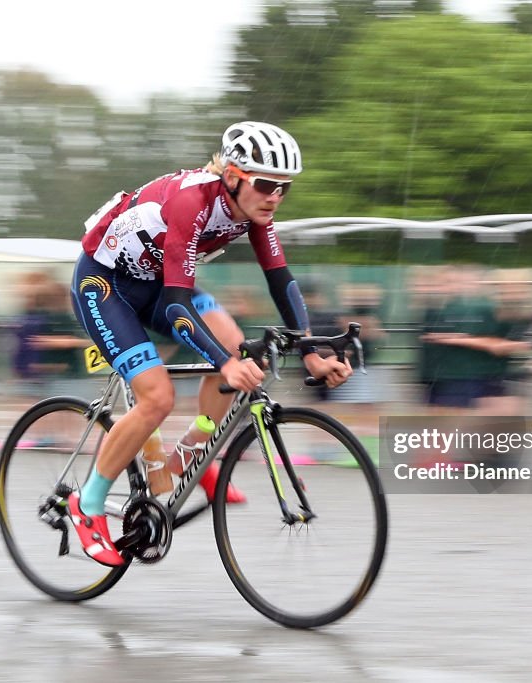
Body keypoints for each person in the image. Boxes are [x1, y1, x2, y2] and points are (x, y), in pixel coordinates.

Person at [69, 121, 353, 565]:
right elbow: (180, 306)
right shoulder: (192, 201)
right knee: (158, 397)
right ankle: (87, 505)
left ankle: (185, 455)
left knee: (237, 346)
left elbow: (282, 281)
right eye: (265, 185)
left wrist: (312, 354)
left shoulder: (255, 213)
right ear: (235, 177)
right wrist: (223, 364)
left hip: (157, 286)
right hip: (106, 285)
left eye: (284, 189)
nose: (274, 197)